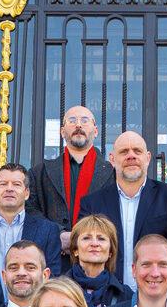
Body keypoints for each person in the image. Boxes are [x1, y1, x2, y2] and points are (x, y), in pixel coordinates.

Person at [78, 130, 167, 289]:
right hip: (106, 295)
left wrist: (156, 282)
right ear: (112, 159)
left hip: (157, 293)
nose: (131, 156)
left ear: (148, 158)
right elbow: (85, 253)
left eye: (137, 151)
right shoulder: (92, 204)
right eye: (124, 151)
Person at [28, 105, 115, 249]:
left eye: (85, 120)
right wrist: (57, 234)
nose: (78, 125)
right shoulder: (39, 173)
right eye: (72, 121)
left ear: (96, 131)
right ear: (62, 132)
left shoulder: (113, 173)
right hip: (54, 255)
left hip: (99, 254)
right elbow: (30, 209)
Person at [0, 162, 64, 276]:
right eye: (3, 184)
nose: (9, 189)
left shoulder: (48, 231)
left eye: (16, 184)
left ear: (27, 193)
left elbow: (52, 277)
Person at [64, 213, 134, 307]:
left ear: (110, 252)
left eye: (101, 239)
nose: (94, 243)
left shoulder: (125, 295)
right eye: (86, 238)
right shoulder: (57, 290)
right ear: (75, 250)